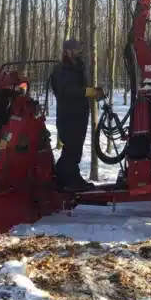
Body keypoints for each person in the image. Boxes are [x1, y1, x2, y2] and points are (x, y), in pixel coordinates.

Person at [49, 39, 104, 191]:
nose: (79, 52)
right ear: (67, 51)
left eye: (79, 49)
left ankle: (64, 178)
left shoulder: (78, 68)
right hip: (68, 117)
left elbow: (81, 88)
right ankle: (69, 180)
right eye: (75, 50)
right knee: (71, 150)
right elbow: (65, 91)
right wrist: (87, 92)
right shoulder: (60, 71)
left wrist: (94, 91)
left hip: (80, 116)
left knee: (75, 150)